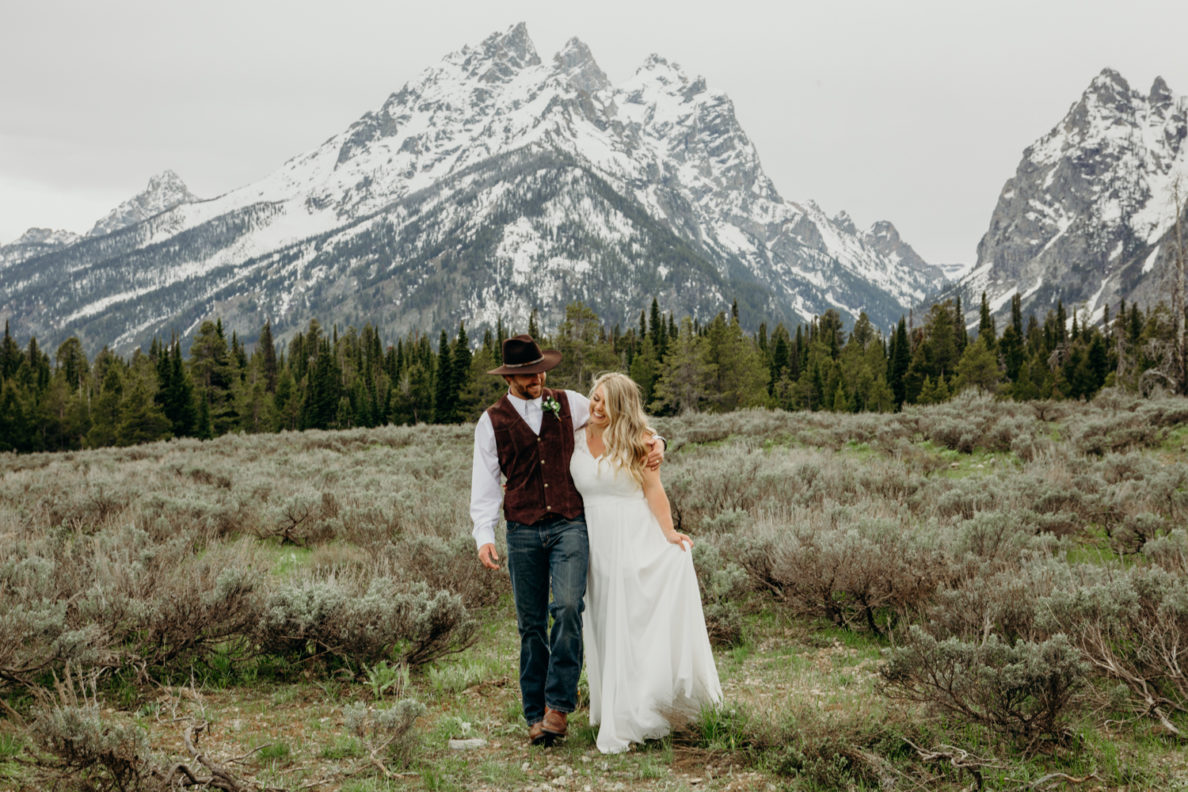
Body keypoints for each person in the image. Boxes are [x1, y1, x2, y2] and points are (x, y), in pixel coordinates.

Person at [470, 335, 663, 746]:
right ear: (510, 378)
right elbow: (485, 485)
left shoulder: (569, 401)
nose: (538, 378)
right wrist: (483, 535)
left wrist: (657, 440)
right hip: (521, 530)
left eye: (540, 370)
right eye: (527, 374)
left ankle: (559, 707)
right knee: (532, 626)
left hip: (569, 525)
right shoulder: (491, 422)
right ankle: (534, 713)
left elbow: (621, 415)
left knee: (570, 607)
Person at [571, 372, 722, 754]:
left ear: (621, 405)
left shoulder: (640, 442)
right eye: (594, 398)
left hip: (634, 537)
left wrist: (670, 534)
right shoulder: (574, 433)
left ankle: (643, 705)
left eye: (605, 401)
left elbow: (654, 491)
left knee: (633, 621)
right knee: (606, 621)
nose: (596, 406)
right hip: (596, 545)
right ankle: (613, 705)